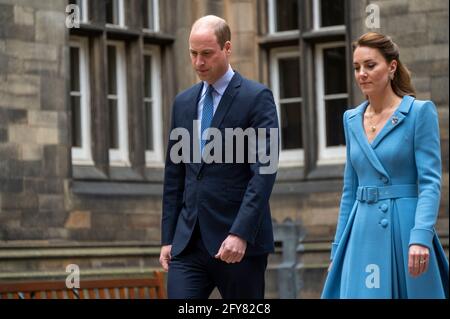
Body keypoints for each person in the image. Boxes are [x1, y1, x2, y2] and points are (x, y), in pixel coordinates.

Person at [322, 32, 449, 298]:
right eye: (357, 67)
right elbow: (350, 188)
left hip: (405, 229)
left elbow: (430, 182)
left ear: (391, 67)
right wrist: (337, 248)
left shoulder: (419, 113)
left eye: (370, 65)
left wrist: (421, 236)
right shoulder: (351, 119)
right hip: (361, 230)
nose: (362, 74)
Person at [159, 15, 279, 299]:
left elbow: (264, 171)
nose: (199, 62)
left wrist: (240, 233)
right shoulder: (183, 103)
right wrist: (168, 238)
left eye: (207, 54)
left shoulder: (257, 97)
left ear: (227, 48)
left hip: (238, 244)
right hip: (188, 244)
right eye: (193, 53)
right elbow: (174, 175)